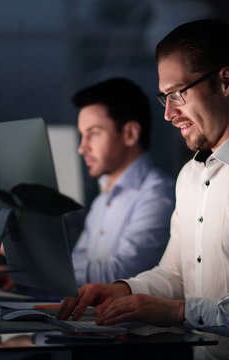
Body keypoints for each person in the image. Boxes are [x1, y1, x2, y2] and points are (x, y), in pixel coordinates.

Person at [59, 19, 229, 360]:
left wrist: (180, 312)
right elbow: (175, 274)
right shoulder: (190, 176)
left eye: (178, 94)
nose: (168, 114)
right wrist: (123, 290)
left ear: (226, 82)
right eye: (163, 97)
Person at [70, 77, 175, 285]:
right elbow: (79, 262)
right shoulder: (104, 196)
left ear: (130, 134)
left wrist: (37, 265)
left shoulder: (158, 195)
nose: (82, 148)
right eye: (83, 135)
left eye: (94, 134)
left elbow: (120, 275)